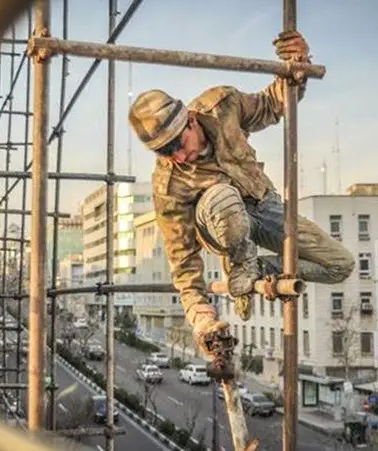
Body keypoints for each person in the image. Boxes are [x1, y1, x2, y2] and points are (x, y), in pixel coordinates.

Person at [127, 31, 355, 357]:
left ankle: (252, 269)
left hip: (263, 203)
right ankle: (239, 258)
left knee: (339, 265)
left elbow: (272, 105)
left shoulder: (222, 106)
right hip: (219, 221)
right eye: (164, 152)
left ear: (190, 120)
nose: (176, 157)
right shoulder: (169, 186)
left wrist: (297, 67)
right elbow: (184, 265)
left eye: (177, 144)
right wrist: (203, 320)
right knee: (222, 196)